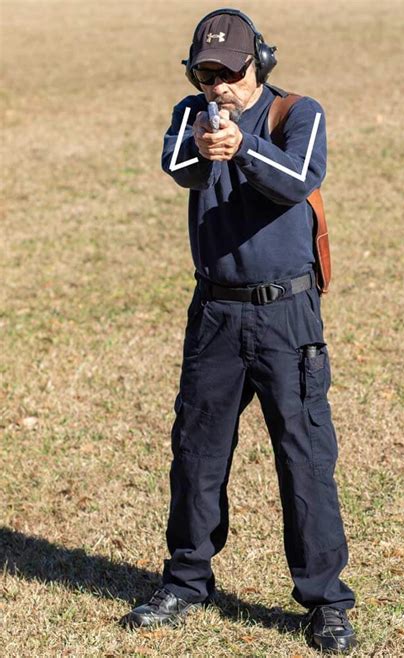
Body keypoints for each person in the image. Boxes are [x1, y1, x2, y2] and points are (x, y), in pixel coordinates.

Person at [120, 8, 357, 654]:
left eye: (230, 71)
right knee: (196, 454)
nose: (219, 85)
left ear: (261, 63)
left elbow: (300, 179)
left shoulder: (297, 115)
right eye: (206, 72)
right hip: (216, 315)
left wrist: (245, 148)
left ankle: (326, 601)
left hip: (287, 314)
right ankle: (186, 580)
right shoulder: (189, 116)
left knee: (304, 459)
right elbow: (177, 168)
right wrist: (202, 143)